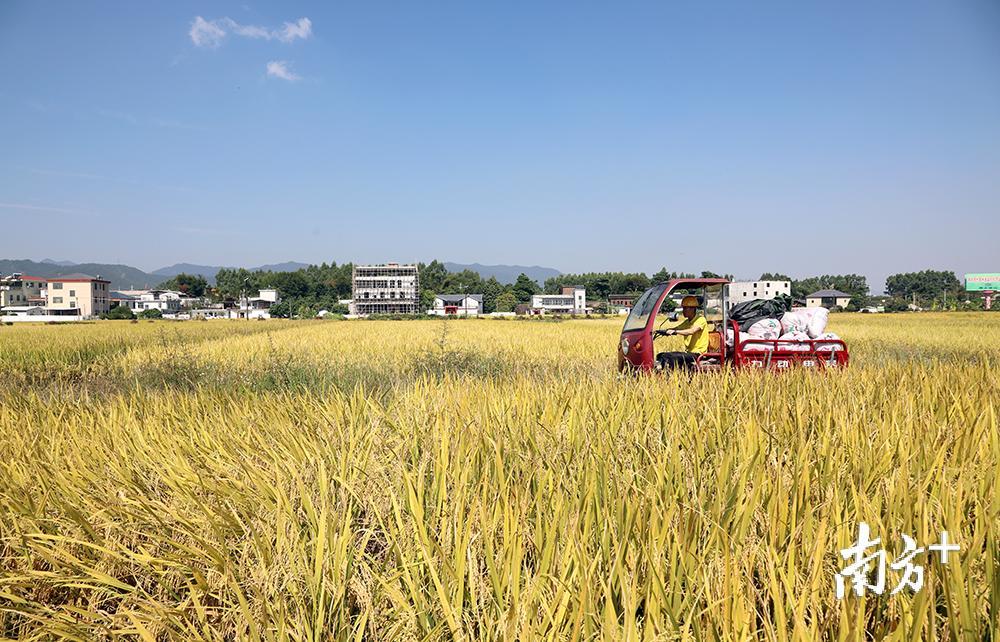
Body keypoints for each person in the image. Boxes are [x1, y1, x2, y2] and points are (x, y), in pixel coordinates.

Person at [654, 295, 709, 370]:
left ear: (693, 309)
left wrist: (675, 332)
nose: (683, 311)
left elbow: (691, 331)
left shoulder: (701, 319)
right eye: (683, 308)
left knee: (669, 357)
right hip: (689, 352)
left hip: (698, 354)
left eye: (686, 308)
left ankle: (670, 376)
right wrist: (662, 331)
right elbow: (676, 328)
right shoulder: (687, 322)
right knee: (661, 355)